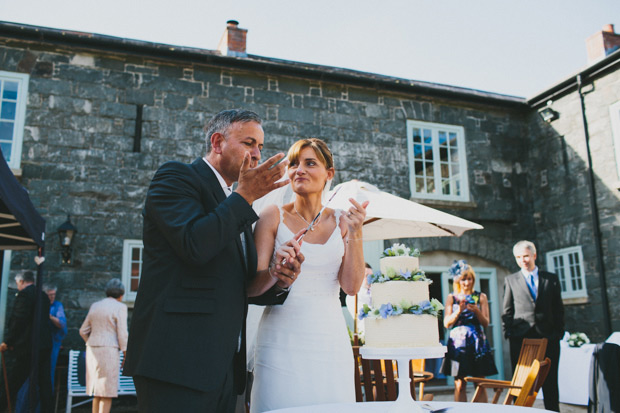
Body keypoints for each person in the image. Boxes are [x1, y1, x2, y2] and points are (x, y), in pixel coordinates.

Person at [124, 109, 302, 413]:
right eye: (249, 143)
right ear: (217, 142)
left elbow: (242, 285)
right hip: (175, 364)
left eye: (260, 146)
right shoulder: (177, 178)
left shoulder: (236, 205)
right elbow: (195, 244)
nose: (257, 154)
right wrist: (244, 198)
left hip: (221, 370)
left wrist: (276, 274)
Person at [248, 138, 368, 412]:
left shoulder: (343, 221)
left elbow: (351, 286)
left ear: (329, 173)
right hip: (280, 339)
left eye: (309, 163)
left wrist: (357, 232)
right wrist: (276, 272)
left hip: (329, 339)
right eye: (293, 164)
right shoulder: (272, 216)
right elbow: (251, 286)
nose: (298, 170)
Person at [502, 240, 564, 412]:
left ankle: (552, 410)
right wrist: (510, 333)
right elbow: (506, 312)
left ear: (534, 255)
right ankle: (519, 410)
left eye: (526, 256)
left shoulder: (550, 279)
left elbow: (558, 308)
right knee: (520, 381)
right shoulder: (511, 280)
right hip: (521, 339)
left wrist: (558, 333)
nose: (523, 260)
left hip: (549, 337)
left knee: (550, 380)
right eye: (519, 257)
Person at [440, 260, 497, 402]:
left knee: (480, 382)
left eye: (469, 278)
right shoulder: (451, 298)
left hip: (477, 343)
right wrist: (458, 311)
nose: (466, 282)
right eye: (463, 279)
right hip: (457, 346)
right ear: (458, 280)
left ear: (473, 279)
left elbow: (486, 323)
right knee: (459, 383)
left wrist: (477, 310)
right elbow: (446, 323)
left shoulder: (481, 296)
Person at [0, 271, 53, 413]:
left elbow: (18, 321)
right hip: (44, 345)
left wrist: (8, 341)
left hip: (27, 346)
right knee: (44, 384)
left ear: (22, 282)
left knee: (12, 382)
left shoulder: (24, 295)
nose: (18, 287)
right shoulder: (43, 296)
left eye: (18, 284)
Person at [14, 283, 67, 413]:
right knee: (29, 378)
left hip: (51, 346)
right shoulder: (35, 304)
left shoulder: (56, 306)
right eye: (49, 295)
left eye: (54, 295)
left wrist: (48, 315)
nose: (52, 297)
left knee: (46, 378)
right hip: (34, 345)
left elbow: (61, 324)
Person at [79, 279, 128, 413]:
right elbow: (122, 333)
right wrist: (125, 353)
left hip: (92, 349)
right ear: (121, 294)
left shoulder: (95, 305)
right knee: (107, 390)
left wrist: (90, 342)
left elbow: (83, 330)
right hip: (109, 350)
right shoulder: (120, 307)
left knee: (97, 390)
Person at [345, 263, 373, 336]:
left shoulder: (375, 292)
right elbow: (364, 313)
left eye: (371, 276)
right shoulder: (352, 296)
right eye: (367, 276)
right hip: (365, 333)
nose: (370, 279)